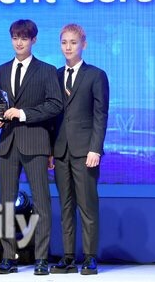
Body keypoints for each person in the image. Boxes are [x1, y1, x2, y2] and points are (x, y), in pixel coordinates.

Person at [0, 19, 63, 276]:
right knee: (5, 203)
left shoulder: (46, 70)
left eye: (24, 38)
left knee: (41, 202)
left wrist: (22, 114)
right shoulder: (0, 70)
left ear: (34, 40)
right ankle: (8, 257)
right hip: (8, 142)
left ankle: (41, 258)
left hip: (35, 142)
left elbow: (55, 105)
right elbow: (0, 104)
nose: (19, 42)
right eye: (15, 38)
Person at [50, 23, 109, 276]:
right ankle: (68, 256)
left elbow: (100, 115)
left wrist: (96, 148)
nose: (68, 47)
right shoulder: (54, 76)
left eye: (73, 42)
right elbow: (51, 116)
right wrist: (50, 151)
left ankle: (90, 257)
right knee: (65, 206)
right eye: (64, 42)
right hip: (60, 150)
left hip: (86, 151)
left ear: (83, 44)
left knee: (87, 205)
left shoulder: (95, 75)